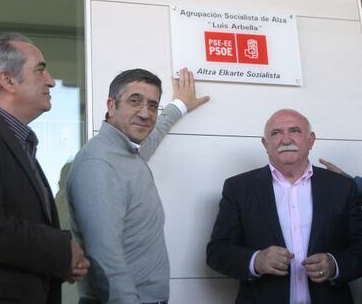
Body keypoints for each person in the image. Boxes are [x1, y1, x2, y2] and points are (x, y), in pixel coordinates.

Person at [0, 33, 89, 304]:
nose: (50, 81)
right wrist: (61, 252)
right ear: (7, 80)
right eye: (40, 70)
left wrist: (64, 260)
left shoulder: (18, 142)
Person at [67, 68, 209, 304]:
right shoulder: (99, 164)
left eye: (153, 105)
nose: (145, 113)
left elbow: (154, 133)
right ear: (111, 106)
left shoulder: (127, 153)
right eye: (135, 101)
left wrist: (179, 105)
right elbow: (104, 257)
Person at [207, 109, 362, 304]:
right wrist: (256, 260)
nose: (286, 139)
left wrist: (334, 264)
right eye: (276, 133)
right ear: (265, 144)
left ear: (310, 140)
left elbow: (359, 247)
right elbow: (217, 252)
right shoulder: (238, 188)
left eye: (295, 131)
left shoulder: (342, 187)